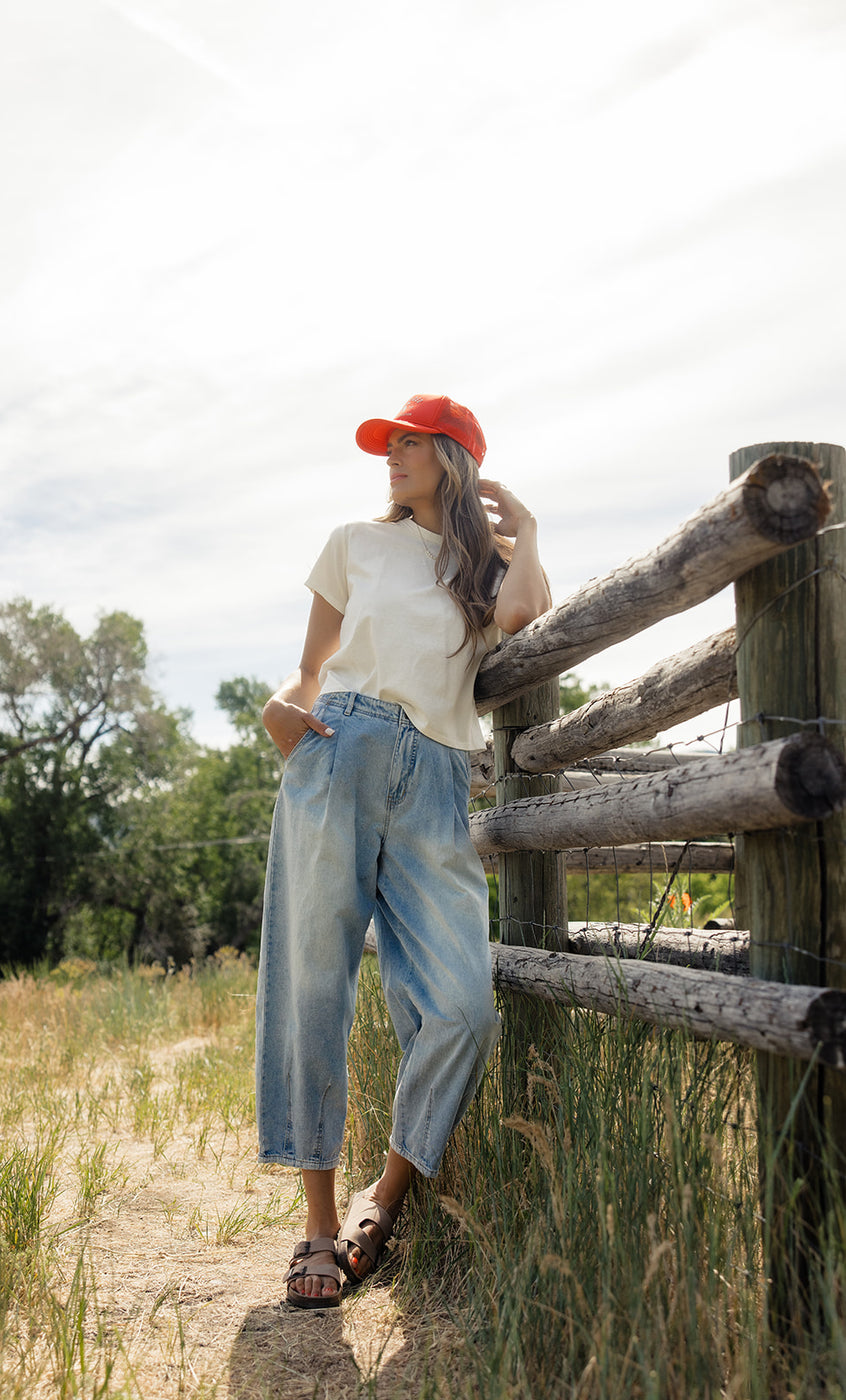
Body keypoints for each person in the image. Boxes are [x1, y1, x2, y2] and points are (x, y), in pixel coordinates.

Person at [257, 393, 551, 1308]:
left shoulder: (486, 564)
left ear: (454, 458)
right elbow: (312, 667)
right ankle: (313, 1224)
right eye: (391, 442)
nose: (392, 453)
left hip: (434, 776)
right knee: (314, 986)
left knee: (463, 1007)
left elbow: (524, 616)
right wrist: (281, 715)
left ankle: (381, 1199)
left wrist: (529, 531)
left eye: (411, 441)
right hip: (337, 752)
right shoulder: (355, 541)